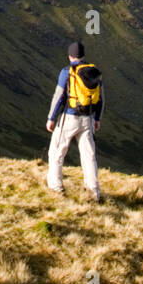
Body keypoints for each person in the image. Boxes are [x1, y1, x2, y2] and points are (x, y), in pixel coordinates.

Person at [45, 41, 104, 201]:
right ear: (83, 55)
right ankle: (94, 193)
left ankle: (56, 188)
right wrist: (97, 119)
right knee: (89, 156)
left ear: (70, 55)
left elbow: (59, 97)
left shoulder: (67, 72)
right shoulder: (93, 72)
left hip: (69, 118)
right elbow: (101, 99)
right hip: (88, 119)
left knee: (57, 152)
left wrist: (51, 118)